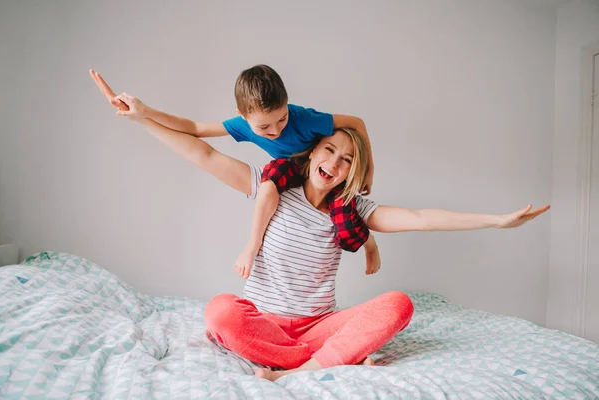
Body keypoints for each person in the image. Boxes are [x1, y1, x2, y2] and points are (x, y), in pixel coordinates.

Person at [92, 75, 550, 382]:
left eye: (347, 159)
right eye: (330, 150)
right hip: (265, 324)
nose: (335, 162)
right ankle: (319, 365)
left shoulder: (353, 208)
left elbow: (419, 218)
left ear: (352, 171)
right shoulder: (269, 185)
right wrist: (142, 117)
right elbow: (202, 152)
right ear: (311, 153)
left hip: (320, 328)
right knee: (220, 311)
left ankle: (299, 365)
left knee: (399, 304)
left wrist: (498, 220)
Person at [89, 65, 381, 280]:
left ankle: (369, 246)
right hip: (291, 172)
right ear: (243, 117)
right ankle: (252, 245)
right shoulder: (241, 125)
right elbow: (193, 130)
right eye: (264, 127)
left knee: (348, 221)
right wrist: (144, 113)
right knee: (270, 179)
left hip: (323, 174)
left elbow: (356, 122)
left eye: (282, 119)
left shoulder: (305, 119)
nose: (276, 130)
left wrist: (366, 171)